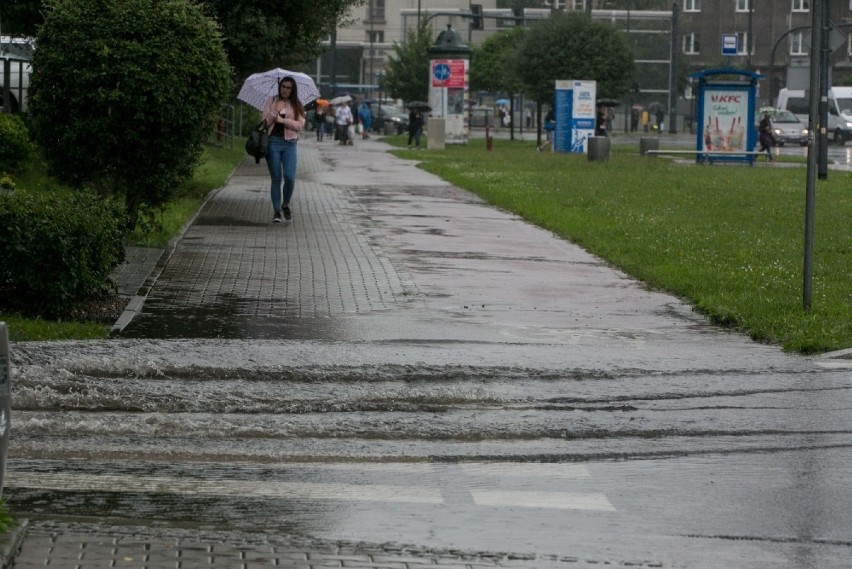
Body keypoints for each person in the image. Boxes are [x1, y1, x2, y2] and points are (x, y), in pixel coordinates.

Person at [261, 76, 306, 223]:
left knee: (290, 178)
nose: (285, 90)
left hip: (290, 144)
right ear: (279, 87)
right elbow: (265, 123)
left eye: (288, 87)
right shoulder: (271, 101)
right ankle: (276, 212)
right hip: (273, 143)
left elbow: (300, 125)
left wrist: (283, 121)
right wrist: (275, 111)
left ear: (292, 90)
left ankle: (285, 204)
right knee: (276, 178)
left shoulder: (297, 104)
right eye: (283, 86)